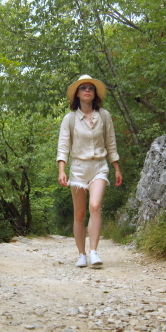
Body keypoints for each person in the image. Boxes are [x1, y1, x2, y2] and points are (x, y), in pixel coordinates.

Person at [57, 75, 122, 267]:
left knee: (95, 206)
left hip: (99, 166)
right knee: (79, 214)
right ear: (77, 93)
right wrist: (62, 169)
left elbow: (111, 142)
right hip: (78, 167)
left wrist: (116, 167)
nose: (87, 90)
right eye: (83, 88)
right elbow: (63, 146)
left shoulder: (104, 116)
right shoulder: (69, 119)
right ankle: (81, 254)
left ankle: (94, 251)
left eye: (91, 88)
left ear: (95, 94)